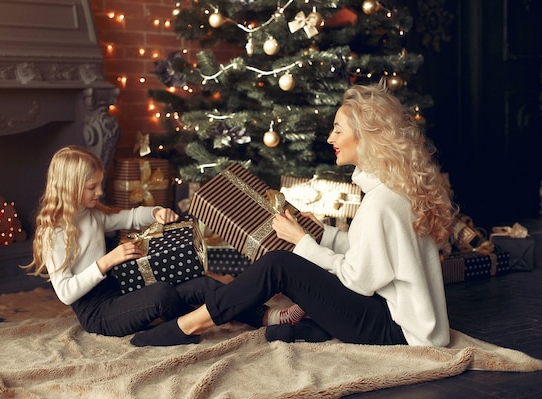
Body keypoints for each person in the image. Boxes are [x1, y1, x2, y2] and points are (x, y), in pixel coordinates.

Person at [131, 82, 456, 347]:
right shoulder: (396, 190)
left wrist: (303, 243)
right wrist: (322, 234)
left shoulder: (380, 203)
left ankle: (189, 325)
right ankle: (303, 328)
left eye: (338, 130)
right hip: (404, 321)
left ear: (367, 137)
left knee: (280, 264)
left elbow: (358, 281)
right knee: (293, 266)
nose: (331, 139)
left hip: (396, 331)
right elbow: (375, 254)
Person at [23, 146, 270, 337]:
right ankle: (190, 324)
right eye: (92, 187)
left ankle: (267, 317)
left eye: (99, 184)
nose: (99, 192)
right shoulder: (53, 232)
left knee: (200, 283)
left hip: (120, 290)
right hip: (98, 312)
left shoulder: (92, 215)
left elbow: (131, 216)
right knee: (162, 293)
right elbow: (66, 294)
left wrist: (156, 212)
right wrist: (107, 261)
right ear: (70, 187)